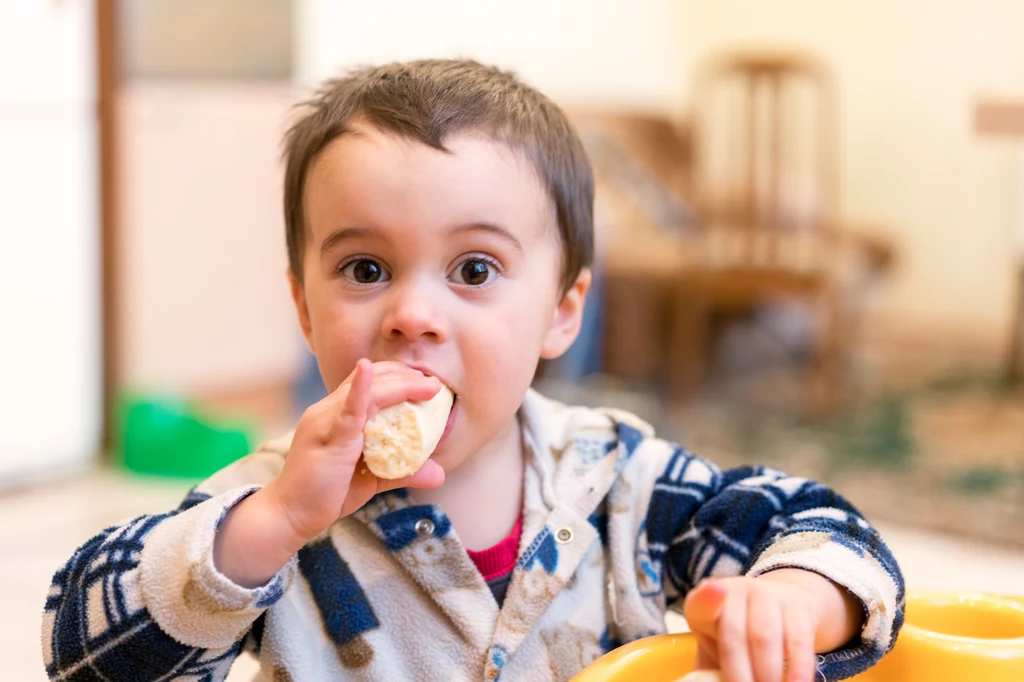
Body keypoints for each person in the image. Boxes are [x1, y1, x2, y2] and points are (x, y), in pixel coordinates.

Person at [42, 59, 903, 682]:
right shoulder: (272, 507)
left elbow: (824, 528)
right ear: (304, 309)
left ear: (562, 312)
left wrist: (797, 591)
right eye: (366, 269)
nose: (413, 314)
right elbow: (80, 652)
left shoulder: (623, 483)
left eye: (475, 271)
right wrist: (264, 528)